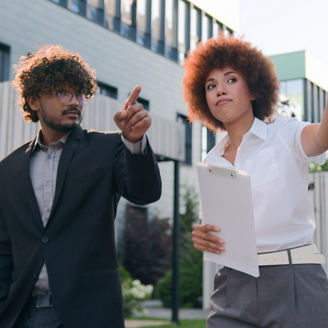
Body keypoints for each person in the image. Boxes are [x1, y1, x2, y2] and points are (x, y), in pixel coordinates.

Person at [0, 45, 161, 328]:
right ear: (34, 100)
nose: (74, 101)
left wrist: (134, 142)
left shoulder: (109, 147)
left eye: (79, 93)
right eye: (62, 92)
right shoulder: (8, 169)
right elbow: (3, 251)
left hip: (90, 314)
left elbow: (145, 192)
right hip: (25, 316)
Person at [183, 36, 328, 327]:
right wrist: (203, 235)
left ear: (253, 89)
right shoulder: (211, 161)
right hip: (232, 285)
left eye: (231, 79)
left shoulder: (286, 133)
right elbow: (221, 231)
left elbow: (322, 138)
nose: (220, 89)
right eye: (211, 85)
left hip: (294, 278)